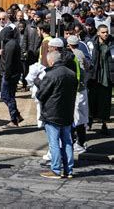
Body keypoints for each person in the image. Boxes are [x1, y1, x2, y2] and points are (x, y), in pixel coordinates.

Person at [37, 51, 78, 179]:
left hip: (52, 113)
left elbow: (41, 94)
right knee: (67, 142)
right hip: (67, 112)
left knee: (54, 142)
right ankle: (68, 170)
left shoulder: (50, 75)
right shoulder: (71, 74)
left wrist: (38, 83)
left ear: (51, 61)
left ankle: (55, 170)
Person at [87, 24, 114, 135]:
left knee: (105, 103)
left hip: (107, 77)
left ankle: (104, 124)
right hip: (94, 77)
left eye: (106, 32)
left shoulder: (112, 44)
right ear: (98, 33)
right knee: (91, 101)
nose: (105, 34)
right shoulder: (91, 44)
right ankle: (89, 122)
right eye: (103, 32)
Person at [67, 35, 90, 153]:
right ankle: (81, 141)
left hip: (77, 90)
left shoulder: (72, 56)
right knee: (82, 116)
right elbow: (87, 66)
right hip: (83, 88)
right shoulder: (81, 52)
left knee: (77, 117)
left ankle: (80, 142)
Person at [0, 26, 24, 128]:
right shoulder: (14, 43)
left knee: (7, 96)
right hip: (15, 73)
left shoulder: (10, 45)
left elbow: (9, 62)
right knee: (10, 96)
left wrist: (7, 75)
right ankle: (16, 115)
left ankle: (14, 119)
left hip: (10, 74)